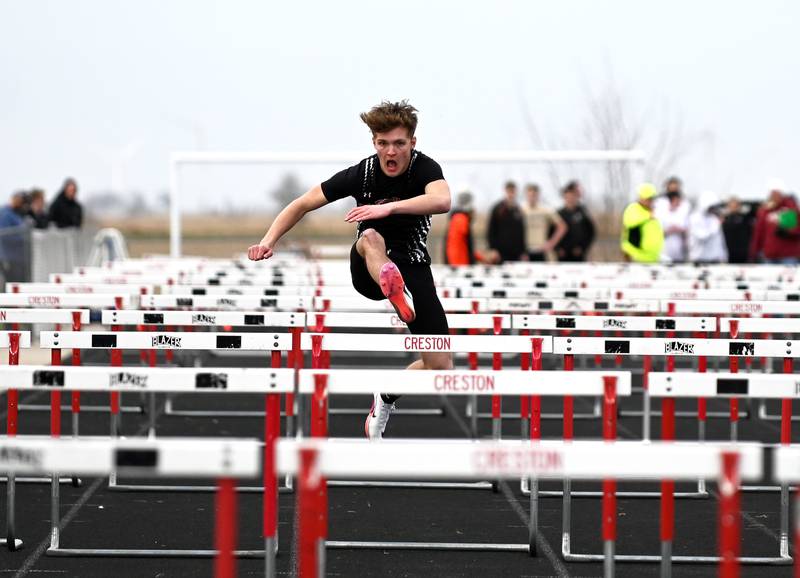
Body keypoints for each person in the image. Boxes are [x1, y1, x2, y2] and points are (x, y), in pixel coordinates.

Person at [247, 100, 453, 440]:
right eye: (383, 143)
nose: (391, 151)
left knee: (440, 366)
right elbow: (302, 203)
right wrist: (268, 240)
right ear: (374, 142)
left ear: (412, 144)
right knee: (370, 237)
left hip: (414, 268)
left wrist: (389, 209)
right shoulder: (363, 173)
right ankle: (389, 279)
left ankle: (386, 393)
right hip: (368, 266)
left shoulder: (425, 169)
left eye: (399, 143)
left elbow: (443, 201)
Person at [749, 179, 800, 264]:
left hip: (787, 255)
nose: (774, 196)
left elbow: (794, 229)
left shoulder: (788, 208)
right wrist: (754, 252)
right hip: (769, 255)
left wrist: (787, 232)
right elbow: (759, 232)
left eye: (777, 193)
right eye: (772, 194)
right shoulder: (764, 211)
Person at [444, 190, 498, 266]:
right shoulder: (461, 219)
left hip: (460, 265)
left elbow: (465, 247)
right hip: (460, 266)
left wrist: (482, 258)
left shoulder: (458, 219)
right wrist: (459, 268)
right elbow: (457, 248)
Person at [620, 183, 664, 263]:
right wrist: (648, 216)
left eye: (652, 199)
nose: (650, 201)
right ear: (641, 198)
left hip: (651, 257)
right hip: (635, 255)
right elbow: (630, 222)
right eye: (648, 199)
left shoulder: (652, 211)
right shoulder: (633, 208)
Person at [523, 183, 566, 261]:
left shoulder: (545, 210)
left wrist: (551, 243)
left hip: (542, 250)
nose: (532, 197)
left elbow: (562, 226)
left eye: (534, 195)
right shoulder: (521, 211)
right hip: (526, 250)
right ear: (526, 195)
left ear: (538, 195)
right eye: (530, 195)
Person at [554, 180, 595, 261]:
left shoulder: (583, 212)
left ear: (576, 196)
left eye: (572, 196)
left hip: (578, 254)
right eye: (567, 196)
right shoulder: (558, 213)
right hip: (562, 254)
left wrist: (583, 247)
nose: (570, 198)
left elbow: (591, 232)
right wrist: (557, 248)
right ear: (564, 197)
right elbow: (551, 232)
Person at [486, 181, 526, 262]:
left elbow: (521, 232)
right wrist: (493, 249)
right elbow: (491, 230)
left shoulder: (518, 210)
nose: (511, 194)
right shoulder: (498, 208)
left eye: (513, 191)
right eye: (509, 191)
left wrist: (523, 252)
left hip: (516, 254)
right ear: (505, 191)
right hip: (500, 253)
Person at [653, 176, 690, 262]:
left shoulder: (685, 203)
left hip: (680, 246)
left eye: (676, 188)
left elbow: (685, 223)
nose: (673, 190)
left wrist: (679, 228)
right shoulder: (660, 202)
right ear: (667, 187)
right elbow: (658, 221)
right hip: (663, 245)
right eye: (671, 187)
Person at [688, 190, 728, 263]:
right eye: (711, 207)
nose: (713, 209)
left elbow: (720, 240)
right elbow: (701, 236)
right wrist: (715, 226)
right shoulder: (694, 218)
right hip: (700, 258)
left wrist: (723, 255)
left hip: (715, 259)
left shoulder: (714, 218)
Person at [721, 197, 757, 263]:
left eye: (735, 206)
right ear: (728, 207)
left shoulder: (746, 218)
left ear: (739, 206)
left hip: (743, 252)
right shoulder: (725, 219)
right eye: (731, 206)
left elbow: (755, 210)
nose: (733, 208)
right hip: (728, 252)